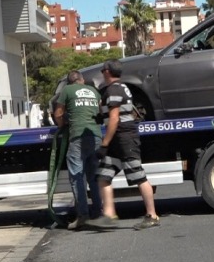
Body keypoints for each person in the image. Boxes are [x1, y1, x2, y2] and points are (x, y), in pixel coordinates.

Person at [86, 59, 160, 231]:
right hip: (118, 140)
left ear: (107, 72)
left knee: (138, 176)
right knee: (103, 177)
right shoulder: (120, 87)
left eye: (103, 69)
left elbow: (114, 119)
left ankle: (152, 215)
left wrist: (104, 143)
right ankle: (109, 215)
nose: (102, 72)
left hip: (124, 138)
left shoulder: (113, 90)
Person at [53, 70, 103, 230]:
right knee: (94, 177)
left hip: (78, 137)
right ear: (81, 79)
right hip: (95, 136)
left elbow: (58, 113)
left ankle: (83, 216)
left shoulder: (67, 90)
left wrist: (63, 125)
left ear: (69, 82)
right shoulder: (94, 91)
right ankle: (98, 212)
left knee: (76, 177)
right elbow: (100, 111)